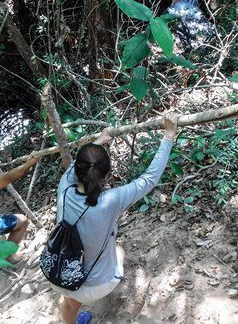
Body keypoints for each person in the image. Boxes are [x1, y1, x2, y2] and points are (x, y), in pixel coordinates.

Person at [51, 114, 179, 324]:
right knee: (119, 250)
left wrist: (99, 140)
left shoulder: (64, 186)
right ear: (107, 174)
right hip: (96, 286)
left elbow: (78, 164)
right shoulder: (110, 201)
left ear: (77, 171)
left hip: (59, 274)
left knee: (69, 301)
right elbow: (149, 179)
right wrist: (169, 135)